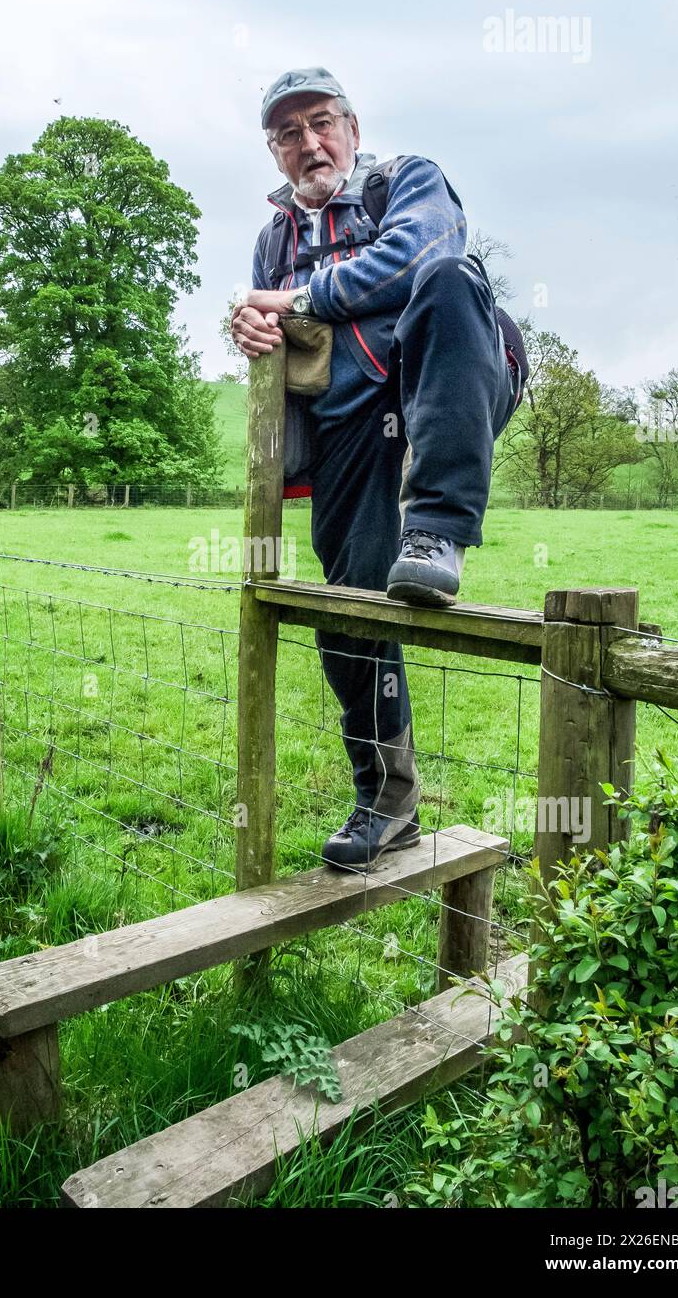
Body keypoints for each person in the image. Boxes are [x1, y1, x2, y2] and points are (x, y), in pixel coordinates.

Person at [230, 67, 524, 873]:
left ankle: (437, 530)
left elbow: (417, 256)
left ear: (352, 130)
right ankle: (387, 802)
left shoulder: (405, 181)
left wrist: (293, 301)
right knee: (348, 608)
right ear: (273, 151)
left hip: (448, 379)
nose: (308, 143)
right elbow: (281, 334)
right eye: (287, 133)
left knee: (449, 278)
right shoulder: (273, 241)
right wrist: (253, 328)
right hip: (349, 423)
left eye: (321, 122)